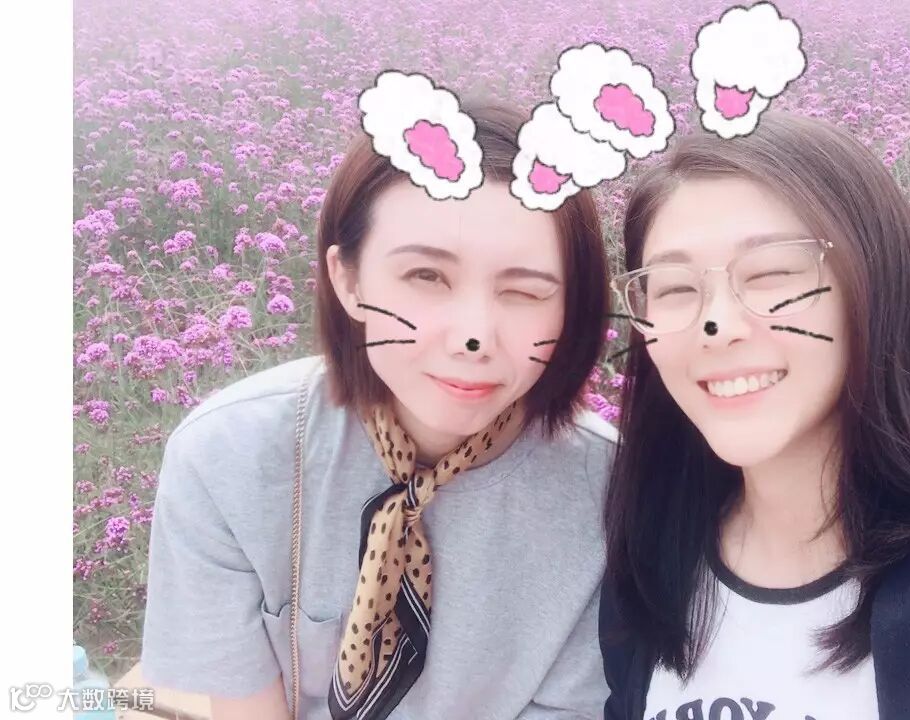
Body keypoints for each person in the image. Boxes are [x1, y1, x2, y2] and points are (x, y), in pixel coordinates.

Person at [599, 113, 910, 720]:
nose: (717, 326)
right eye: (673, 288)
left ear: (875, 284)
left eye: (771, 274)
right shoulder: (652, 563)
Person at [142, 101, 617, 720]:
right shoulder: (227, 456)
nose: (473, 337)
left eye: (524, 291)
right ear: (349, 279)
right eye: (426, 276)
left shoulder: (611, 495)